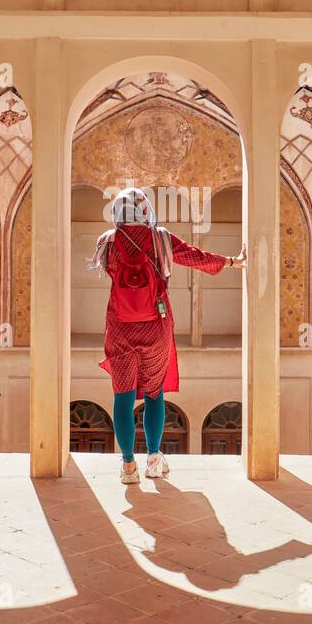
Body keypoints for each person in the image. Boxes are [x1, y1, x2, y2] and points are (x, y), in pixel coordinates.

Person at [87, 187, 246, 483]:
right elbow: (194, 257)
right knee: (153, 393)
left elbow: (108, 271)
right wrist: (232, 261)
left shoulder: (107, 242)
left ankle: (127, 466)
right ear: (146, 209)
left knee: (121, 397)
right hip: (155, 325)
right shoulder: (160, 238)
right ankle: (153, 459)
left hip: (120, 327)